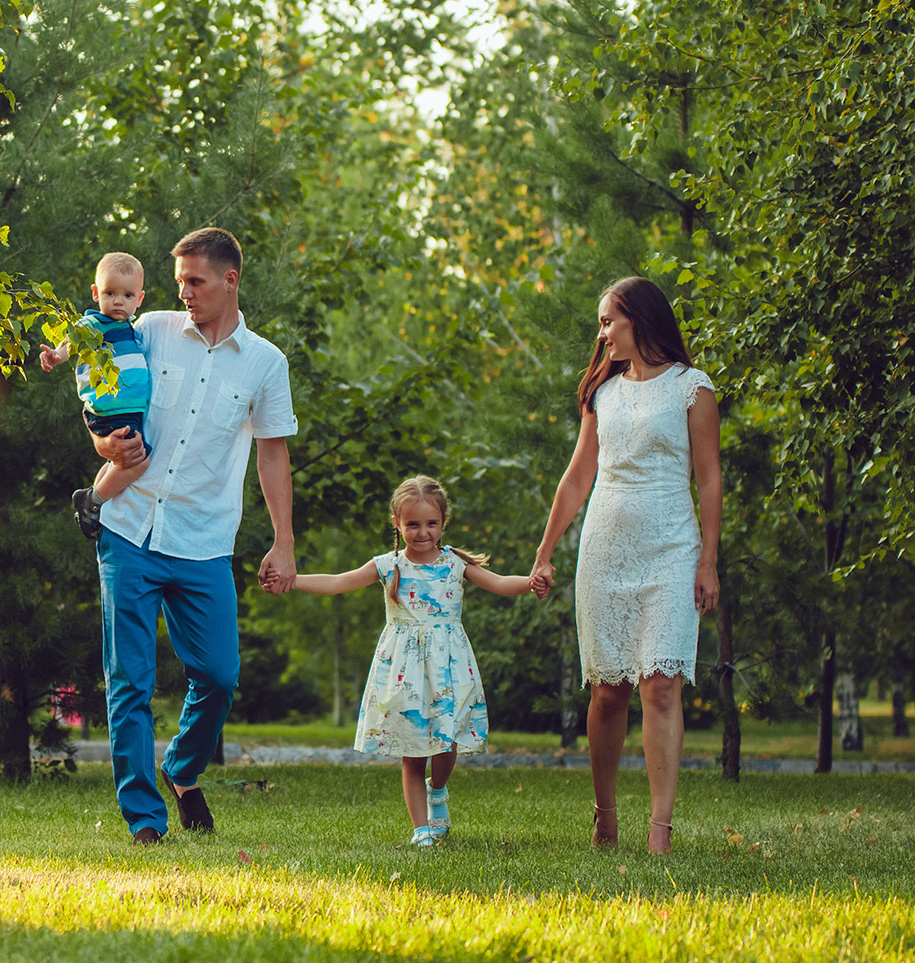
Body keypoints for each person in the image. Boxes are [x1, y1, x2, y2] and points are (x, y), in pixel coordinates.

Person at [90, 227, 298, 845]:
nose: (183, 292)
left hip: (204, 541)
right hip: (129, 527)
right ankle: (145, 822)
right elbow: (100, 397)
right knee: (129, 678)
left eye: (195, 281)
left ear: (230, 280)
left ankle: (181, 767)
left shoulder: (265, 362)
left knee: (218, 675)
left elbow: (273, 456)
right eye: (178, 281)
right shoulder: (147, 330)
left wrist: (283, 540)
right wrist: (104, 442)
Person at [527, 276, 721, 855]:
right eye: (601, 323)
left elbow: (709, 479)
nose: (602, 333)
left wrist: (708, 560)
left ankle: (661, 828)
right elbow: (578, 476)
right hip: (605, 549)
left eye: (609, 321)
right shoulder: (602, 392)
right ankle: (605, 814)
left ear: (640, 319)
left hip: (671, 549)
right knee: (608, 690)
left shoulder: (693, 388)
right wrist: (544, 549)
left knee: (661, 685)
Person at [292, 476, 536, 848]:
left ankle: (437, 790)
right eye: (413, 524)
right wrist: (292, 581)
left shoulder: (455, 564)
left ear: (443, 522)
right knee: (412, 745)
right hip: (403, 669)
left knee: (446, 743)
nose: (422, 532)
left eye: (431, 523)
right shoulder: (388, 566)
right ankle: (421, 828)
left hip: (448, 667)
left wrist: (532, 582)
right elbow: (338, 582)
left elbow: (500, 583)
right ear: (397, 523)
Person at [39, 252, 152, 539]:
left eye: (127, 295)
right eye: (110, 293)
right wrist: (56, 356)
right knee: (140, 461)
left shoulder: (130, 329)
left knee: (121, 461)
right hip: (109, 409)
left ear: (139, 299)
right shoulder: (94, 324)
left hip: (125, 411)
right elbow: (72, 342)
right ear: (95, 293)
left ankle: (92, 500)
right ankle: (94, 501)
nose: (118, 301)